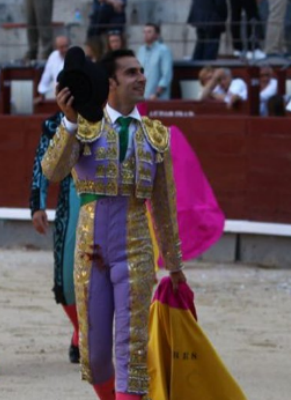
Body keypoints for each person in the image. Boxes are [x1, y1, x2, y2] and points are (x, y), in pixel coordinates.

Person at [42, 47, 186, 400]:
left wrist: (176, 266)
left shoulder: (156, 135)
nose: (141, 77)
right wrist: (69, 122)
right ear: (111, 82)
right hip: (89, 250)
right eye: (131, 72)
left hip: (135, 248)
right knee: (96, 355)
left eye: (141, 71)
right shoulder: (84, 127)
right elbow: (53, 171)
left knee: (131, 346)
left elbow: (165, 207)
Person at [29, 112, 81, 365]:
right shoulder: (56, 123)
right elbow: (43, 163)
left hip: (112, 206)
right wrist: (37, 205)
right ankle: (81, 329)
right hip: (71, 204)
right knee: (66, 278)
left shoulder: (115, 117)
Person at [137, 23, 173, 100]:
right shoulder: (141, 50)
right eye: (144, 32)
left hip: (158, 98)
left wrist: (157, 94)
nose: (146, 34)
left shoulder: (164, 50)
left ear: (157, 35)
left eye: (149, 32)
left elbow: (166, 75)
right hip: (142, 97)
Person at [36, 36, 69, 102]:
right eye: (62, 47)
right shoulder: (53, 56)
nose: (65, 49)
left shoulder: (74, 55)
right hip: (57, 95)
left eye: (66, 46)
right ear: (56, 47)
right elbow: (46, 77)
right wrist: (41, 94)